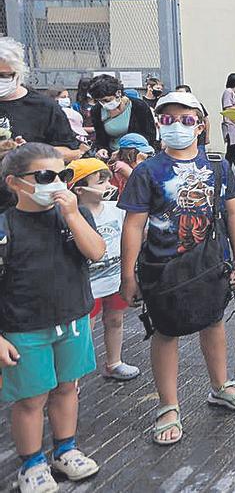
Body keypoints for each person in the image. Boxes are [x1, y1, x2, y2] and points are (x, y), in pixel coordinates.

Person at [118, 91, 235, 446]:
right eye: (168, 120)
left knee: (214, 321)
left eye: (186, 119)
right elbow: (133, 225)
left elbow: (234, 213)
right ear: (159, 125)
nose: (177, 126)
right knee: (165, 332)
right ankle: (168, 405)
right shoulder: (146, 172)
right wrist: (127, 275)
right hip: (162, 269)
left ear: (200, 126)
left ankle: (220, 385)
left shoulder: (218, 167)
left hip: (210, 263)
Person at [0, 143, 106, 493]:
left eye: (63, 175)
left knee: (67, 388)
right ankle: (31, 462)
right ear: (15, 183)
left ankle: (66, 448)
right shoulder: (5, 227)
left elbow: (96, 251)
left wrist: (74, 216)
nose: (57, 183)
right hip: (23, 326)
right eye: (45, 176)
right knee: (31, 398)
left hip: (73, 318)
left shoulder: (72, 216)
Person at [66, 158, 139, 382]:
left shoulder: (116, 209)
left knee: (115, 319)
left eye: (108, 179)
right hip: (87, 286)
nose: (109, 186)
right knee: (84, 329)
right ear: (79, 188)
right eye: (101, 182)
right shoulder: (72, 216)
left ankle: (114, 362)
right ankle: (73, 378)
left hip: (114, 280)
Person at [0, 38, 81, 162]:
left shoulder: (44, 106)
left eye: (3, 75)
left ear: (18, 73)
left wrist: (31, 152)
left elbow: (72, 152)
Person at [86, 75, 157, 156]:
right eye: (100, 101)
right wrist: (102, 149)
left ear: (118, 93)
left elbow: (150, 134)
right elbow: (100, 138)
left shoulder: (138, 106)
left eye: (106, 100)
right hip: (112, 154)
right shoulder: (97, 110)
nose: (104, 104)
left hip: (138, 153)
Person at [220, 73, 235, 167]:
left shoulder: (234, 93)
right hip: (231, 125)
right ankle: (227, 168)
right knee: (232, 149)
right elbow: (227, 108)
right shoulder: (228, 92)